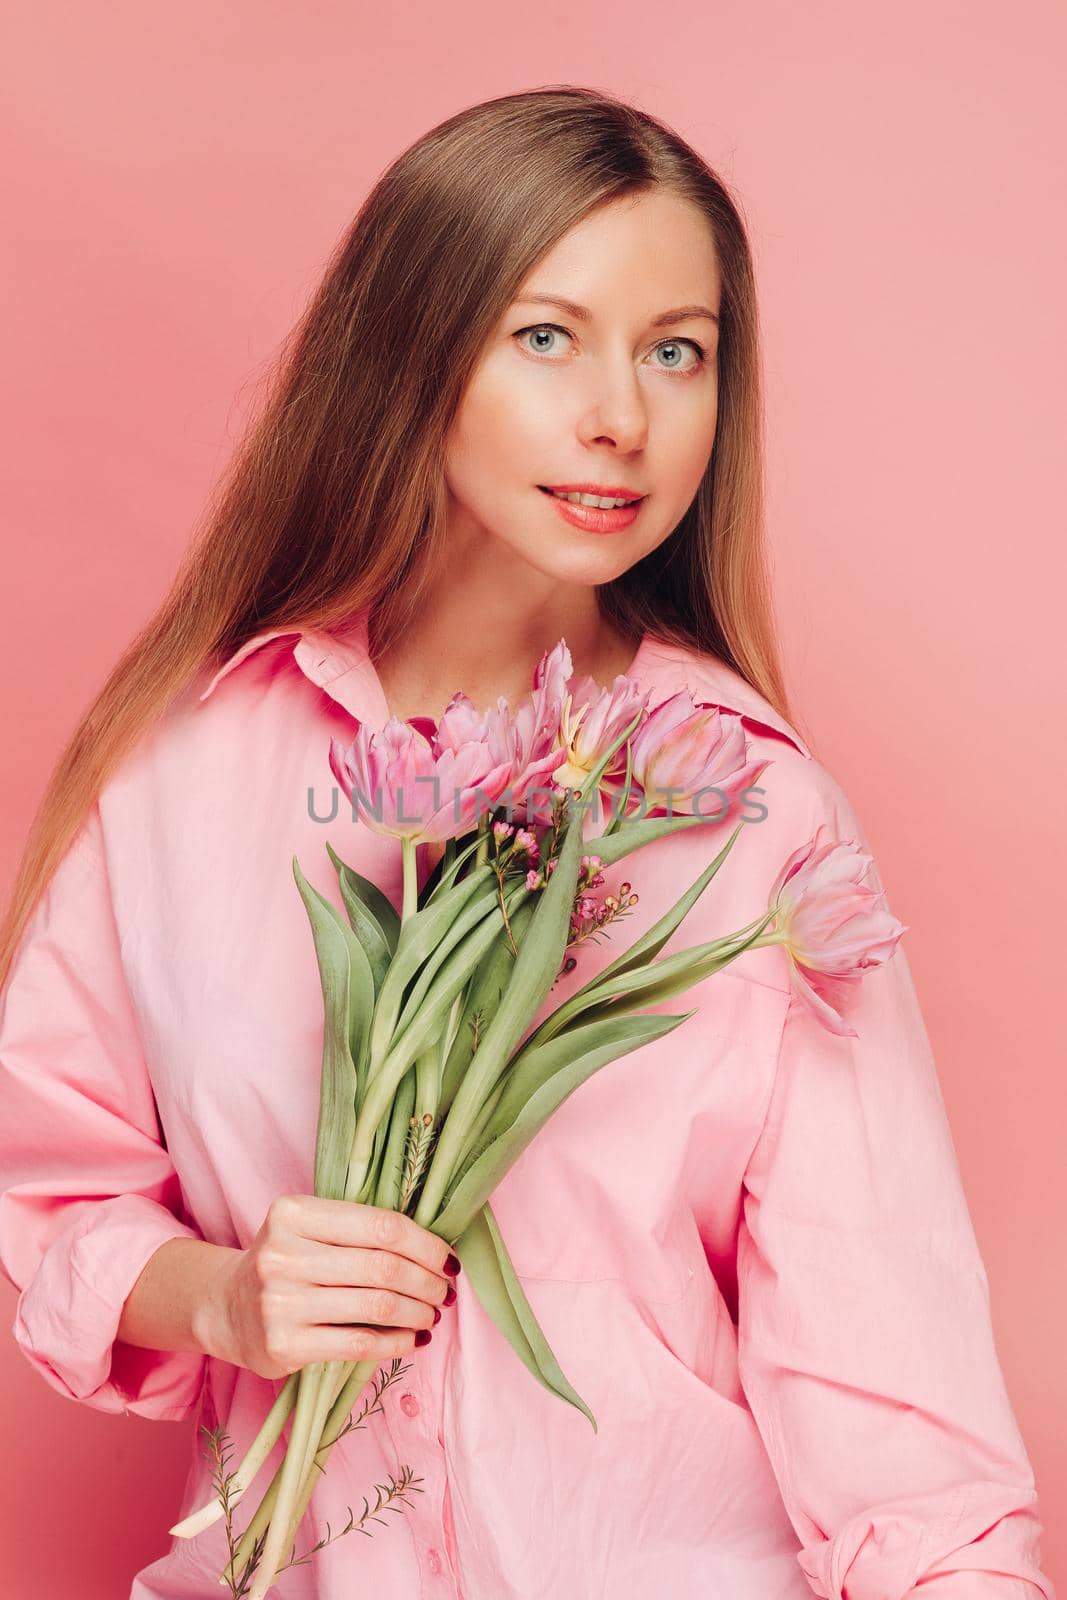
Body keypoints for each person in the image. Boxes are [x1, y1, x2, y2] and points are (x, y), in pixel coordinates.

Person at [0, 85, 1054, 1600]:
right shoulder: (192, 772)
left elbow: (902, 1422)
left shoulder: (752, 819)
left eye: (676, 350)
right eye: (546, 335)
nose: (623, 415)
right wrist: (231, 1301)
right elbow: (53, 1187)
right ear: (412, 355)